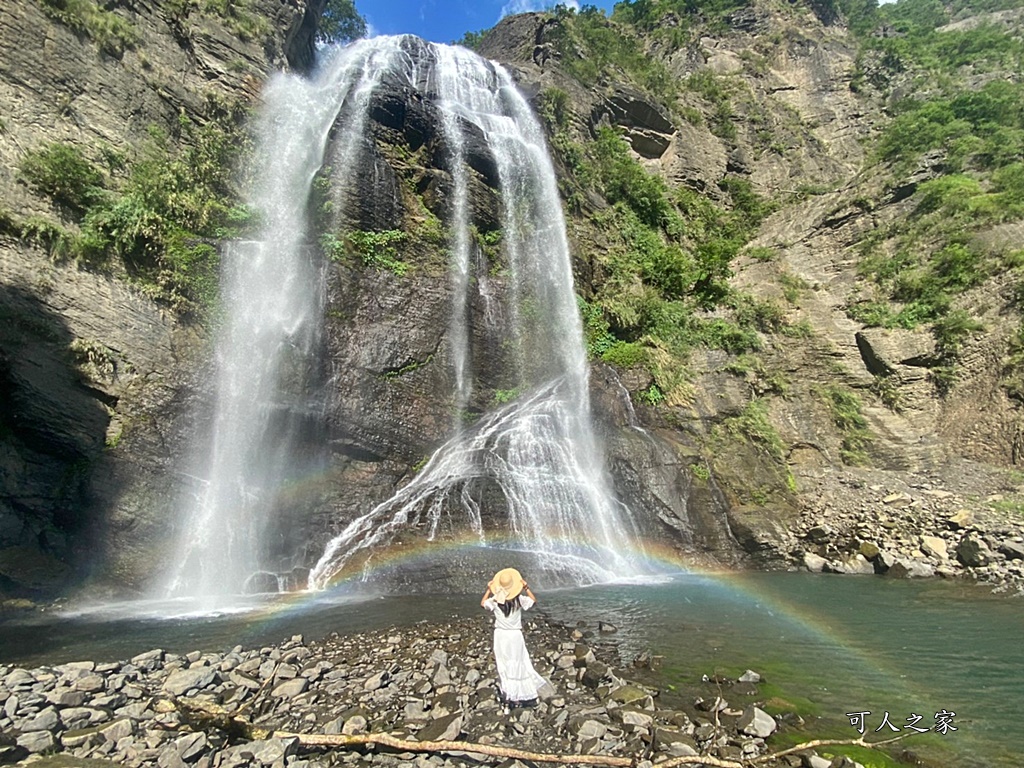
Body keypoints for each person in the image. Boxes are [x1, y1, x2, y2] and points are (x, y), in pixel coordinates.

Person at [480, 567, 550, 713]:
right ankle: (524, 694)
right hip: (515, 636)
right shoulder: (519, 600)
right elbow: (533, 600)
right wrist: (526, 587)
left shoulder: (495, 600)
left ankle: (508, 699)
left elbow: (483, 603)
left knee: (504, 665)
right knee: (519, 663)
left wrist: (488, 589)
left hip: (501, 636)